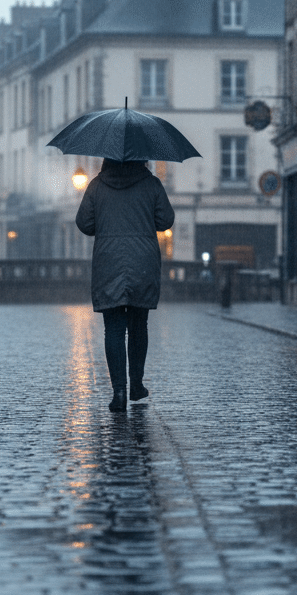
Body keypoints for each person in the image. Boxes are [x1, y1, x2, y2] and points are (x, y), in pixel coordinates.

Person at [75, 158, 175, 412]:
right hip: (143, 261)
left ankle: (118, 392)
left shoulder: (97, 186)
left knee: (114, 329)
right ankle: (136, 385)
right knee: (139, 325)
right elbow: (165, 220)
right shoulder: (151, 184)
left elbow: (84, 223)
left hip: (109, 261)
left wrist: (107, 222)